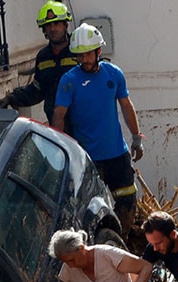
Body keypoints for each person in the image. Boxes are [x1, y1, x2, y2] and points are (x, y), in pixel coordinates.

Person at [52, 23, 144, 236]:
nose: (84, 60)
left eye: (88, 55)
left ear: (98, 52)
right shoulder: (69, 81)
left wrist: (136, 137)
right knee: (89, 208)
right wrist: (60, 149)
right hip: (88, 159)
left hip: (117, 155)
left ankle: (122, 242)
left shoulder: (114, 74)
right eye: (80, 56)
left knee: (127, 202)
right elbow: (59, 116)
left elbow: (127, 106)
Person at [0, 1, 76, 131]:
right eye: (48, 26)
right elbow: (37, 90)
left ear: (65, 25)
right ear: (44, 29)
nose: (52, 29)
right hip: (57, 126)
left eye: (56, 24)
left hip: (82, 124)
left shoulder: (79, 51)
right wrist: (13, 98)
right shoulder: (43, 57)